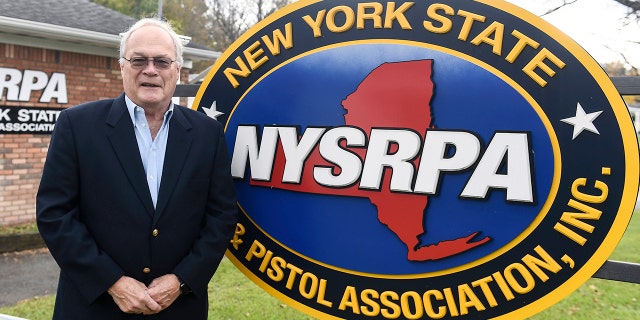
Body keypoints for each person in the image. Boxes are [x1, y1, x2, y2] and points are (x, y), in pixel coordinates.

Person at [36, 18, 238, 319]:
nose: (151, 69)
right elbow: (55, 214)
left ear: (177, 70)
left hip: (178, 308)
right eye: (139, 60)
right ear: (122, 67)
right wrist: (112, 282)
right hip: (94, 307)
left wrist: (181, 280)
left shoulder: (207, 133)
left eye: (162, 61)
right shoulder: (76, 126)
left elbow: (221, 217)